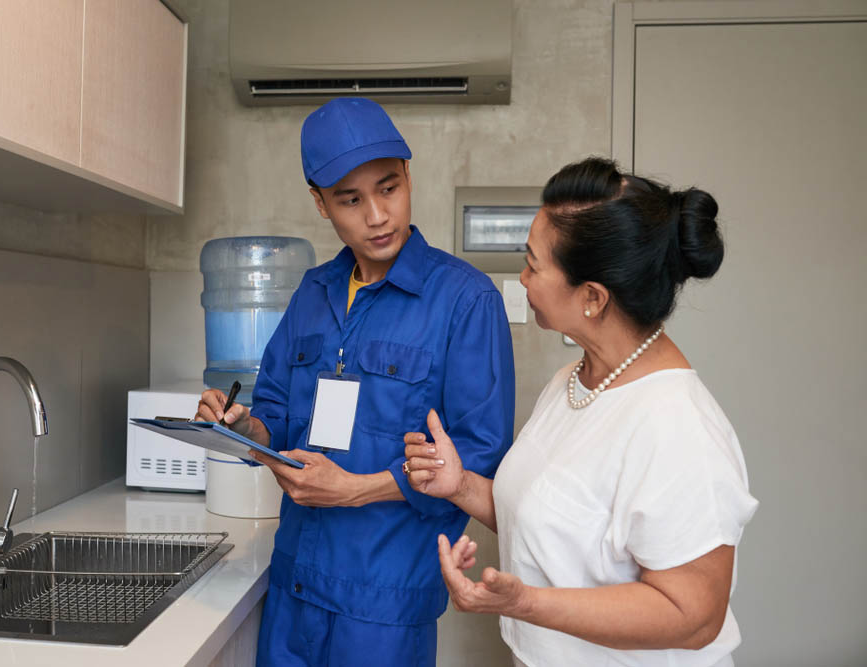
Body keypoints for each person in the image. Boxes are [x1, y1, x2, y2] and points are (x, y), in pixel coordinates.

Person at [194, 97, 515, 666]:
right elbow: (273, 411)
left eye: (388, 188)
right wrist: (242, 427)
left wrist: (357, 489)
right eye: (350, 199)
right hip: (293, 589)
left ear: (409, 176)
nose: (377, 216)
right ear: (320, 203)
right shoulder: (313, 293)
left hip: (384, 606)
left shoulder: (465, 300)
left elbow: (477, 458)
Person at [403, 157, 759, 666]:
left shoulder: (678, 425)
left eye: (533, 264)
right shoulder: (573, 383)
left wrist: (525, 602)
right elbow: (561, 529)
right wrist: (459, 485)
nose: (522, 278)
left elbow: (695, 616)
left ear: (591, 297)